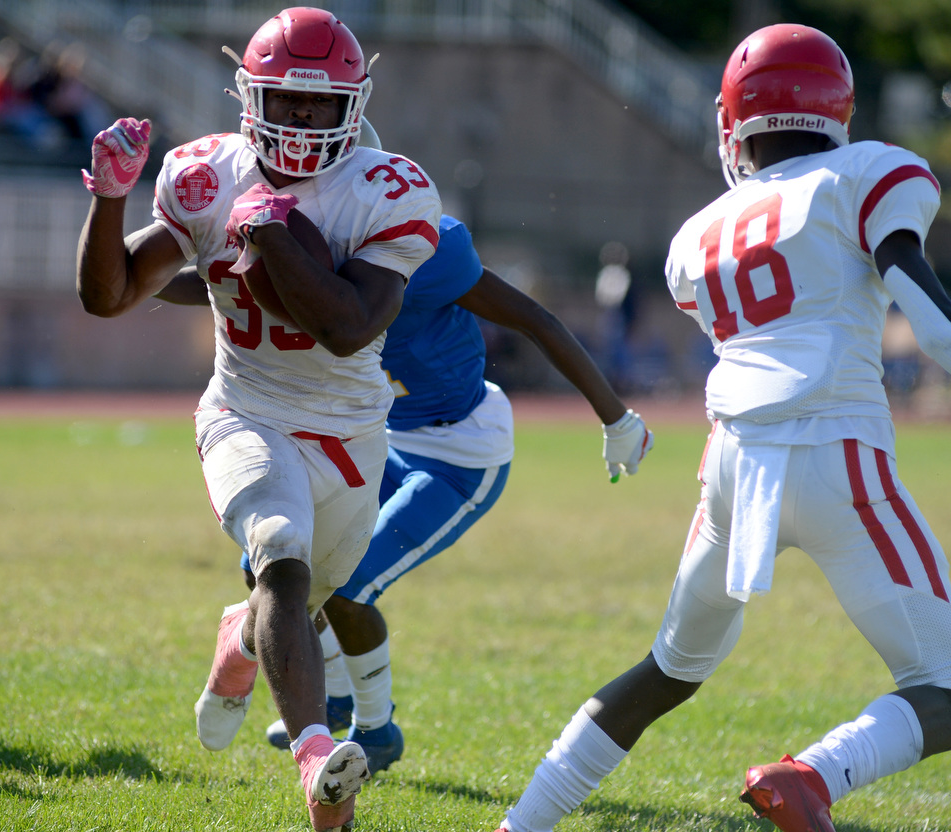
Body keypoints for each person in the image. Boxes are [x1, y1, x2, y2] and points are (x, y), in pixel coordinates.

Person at [491, 23, 951, 832]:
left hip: (733, 465)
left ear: (736, 122)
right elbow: (930, 320)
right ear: (834, 109)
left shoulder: (694, 235)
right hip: (839, 451)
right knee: (945, 680)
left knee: (670, 666)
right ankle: (814, 775)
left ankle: (520, 824)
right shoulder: (867, 172)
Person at [74, 8, 441, 832]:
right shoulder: (206, 172)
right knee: (281, 555)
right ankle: (317, 762)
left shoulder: (390, 187)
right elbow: (110, 295)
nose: (303, 119)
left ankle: (238, 644)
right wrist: (108, 199)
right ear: (250, 97)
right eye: (286, 101)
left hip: (350, 431)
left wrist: (272, 235)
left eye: (321, 103)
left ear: (355, 101)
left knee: (302, 606)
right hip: (245, 410)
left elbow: (350, 327)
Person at [162, 204, 655, 776]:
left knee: (350, 587)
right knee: (273, 569)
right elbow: (212, 283)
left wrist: (616, 419)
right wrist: (124, 274)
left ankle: (376, 728)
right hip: (381, 437)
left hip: (460, 453)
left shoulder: (424, 250)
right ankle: (339, 690)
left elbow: (535, 319)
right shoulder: (304, 246)